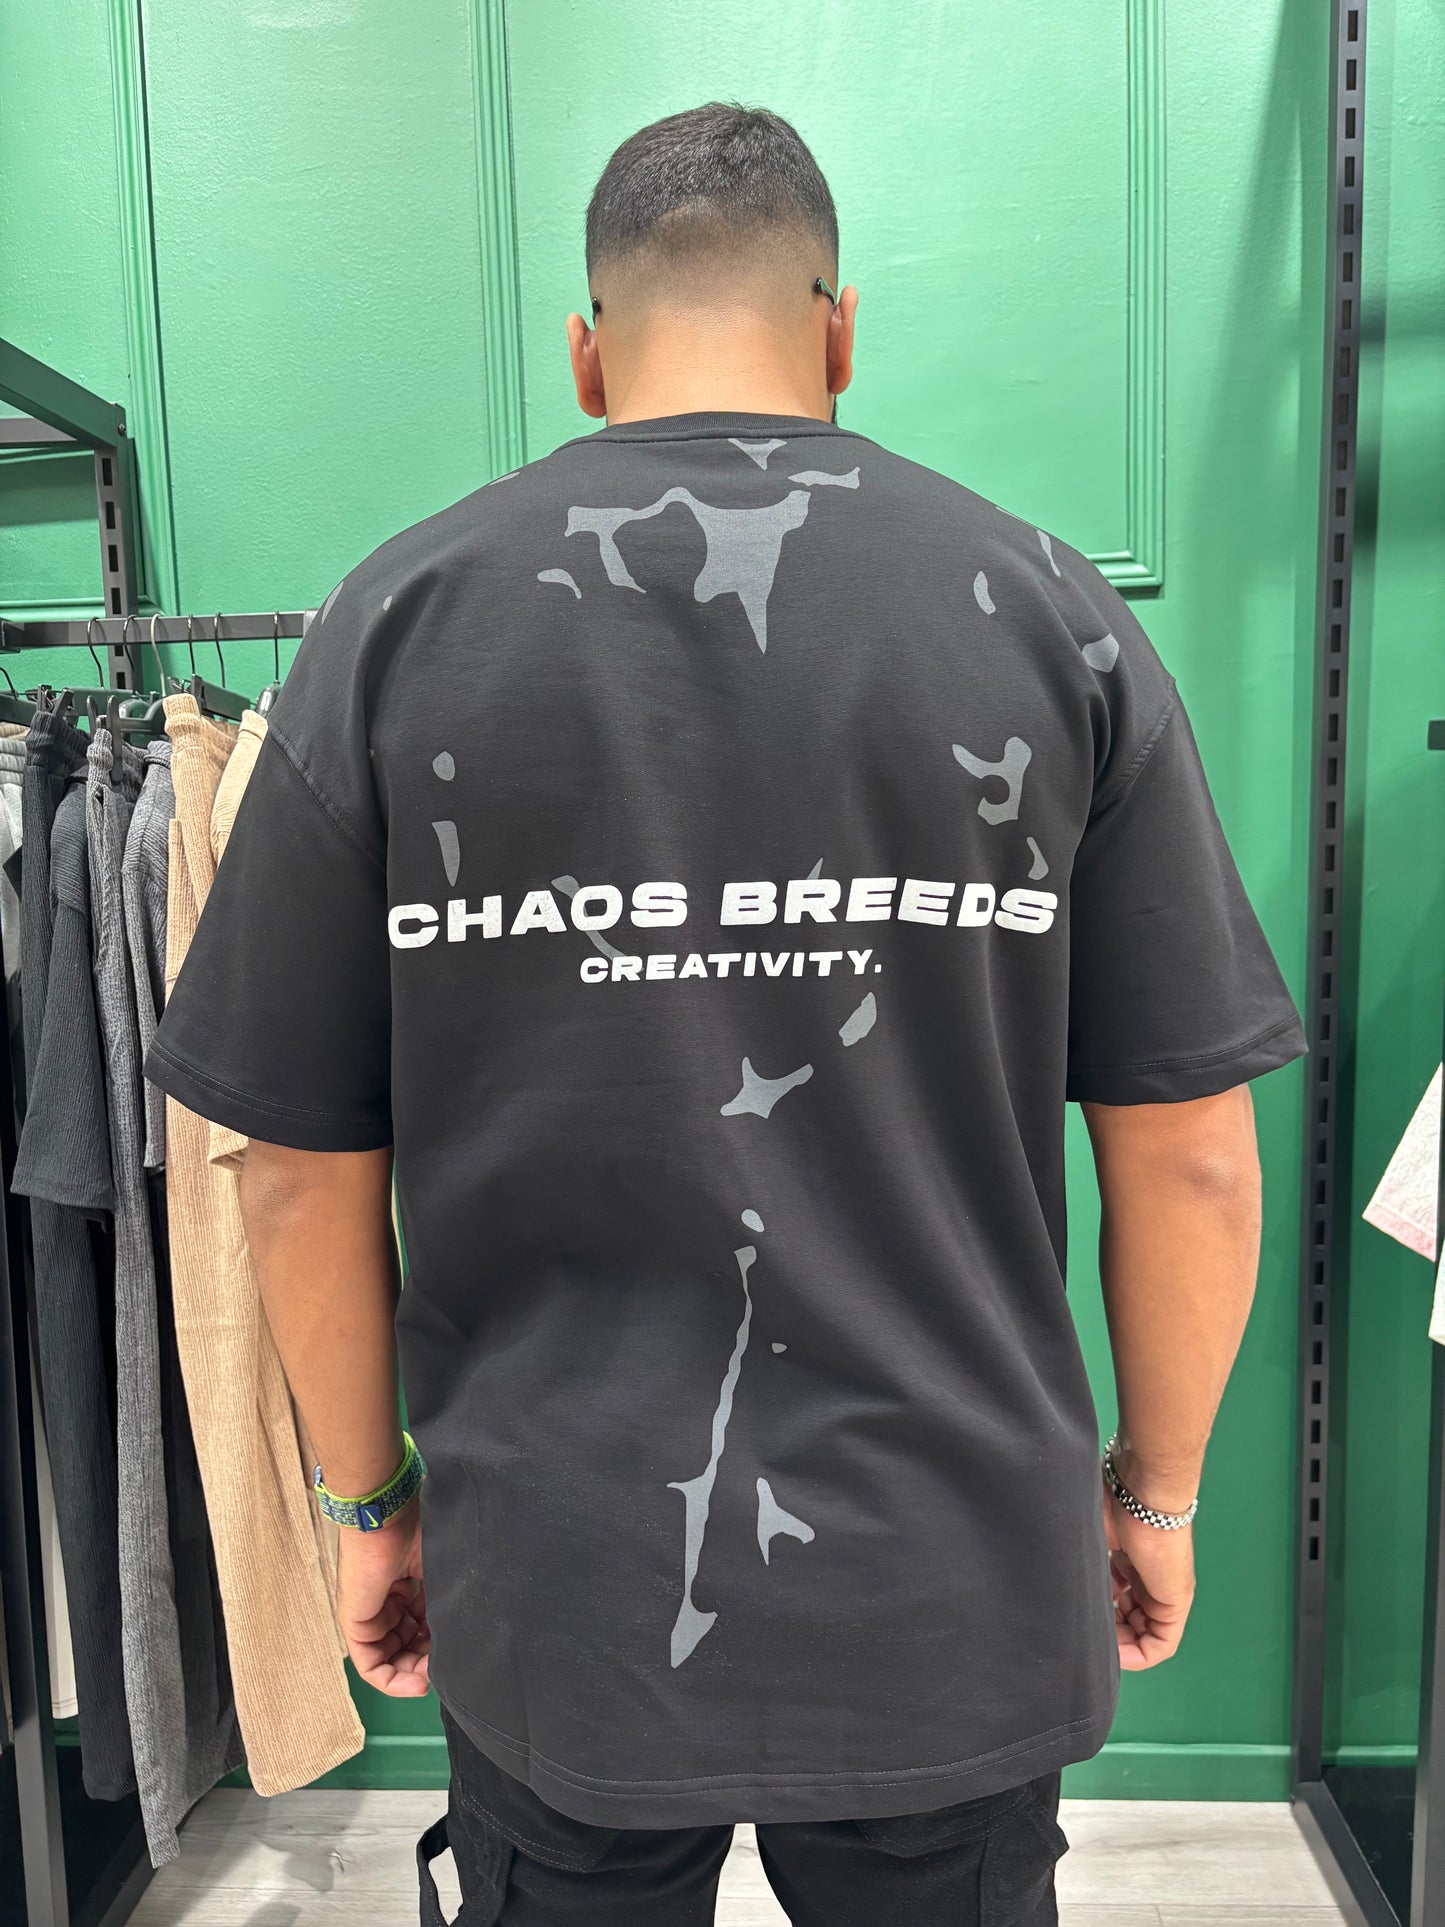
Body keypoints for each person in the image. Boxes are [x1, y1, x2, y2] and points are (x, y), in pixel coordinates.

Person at [146, 102, 1308, 1926]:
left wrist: (369, 1509)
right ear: (839, 333)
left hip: (563, 1578)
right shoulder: (1048, 614)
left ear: (584, 352)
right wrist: (1150, 1497)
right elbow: (1190, 1159)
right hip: (947, 1574)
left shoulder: (392, 625)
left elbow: (290, 1171)